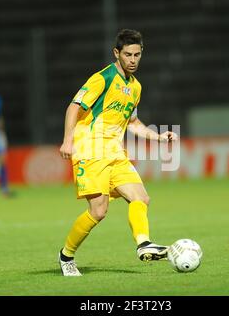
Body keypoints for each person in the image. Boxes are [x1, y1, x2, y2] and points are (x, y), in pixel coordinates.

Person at [58, 29, 178, 276]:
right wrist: (68, 140)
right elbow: (73, 107)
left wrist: (157, 136)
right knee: (99, 212)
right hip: (90, 149)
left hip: (115, 153)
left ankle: (144, 244)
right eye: (127, 54)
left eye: (137, 54)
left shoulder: (135, 87)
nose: (133, 59)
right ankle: (66, 255)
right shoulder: (102, 78)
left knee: (141, 197)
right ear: (117, 53)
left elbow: (132, 122)